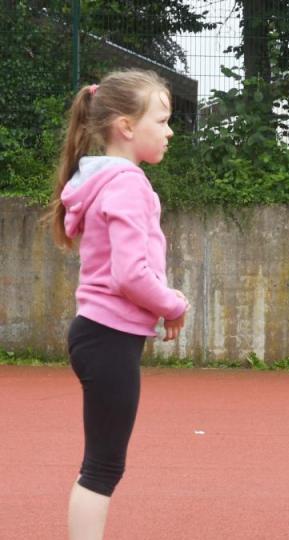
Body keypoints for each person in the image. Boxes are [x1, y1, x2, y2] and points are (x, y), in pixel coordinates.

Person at [49, 70, 189, 540]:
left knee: (102, 464)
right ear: (127, 127)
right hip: (107, 339)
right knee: (103, 467)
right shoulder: (127, 183)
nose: (170, 131)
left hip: (102, 336)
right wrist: (174, 303)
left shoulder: (102, 179)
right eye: (163, 120)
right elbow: (129, 274)